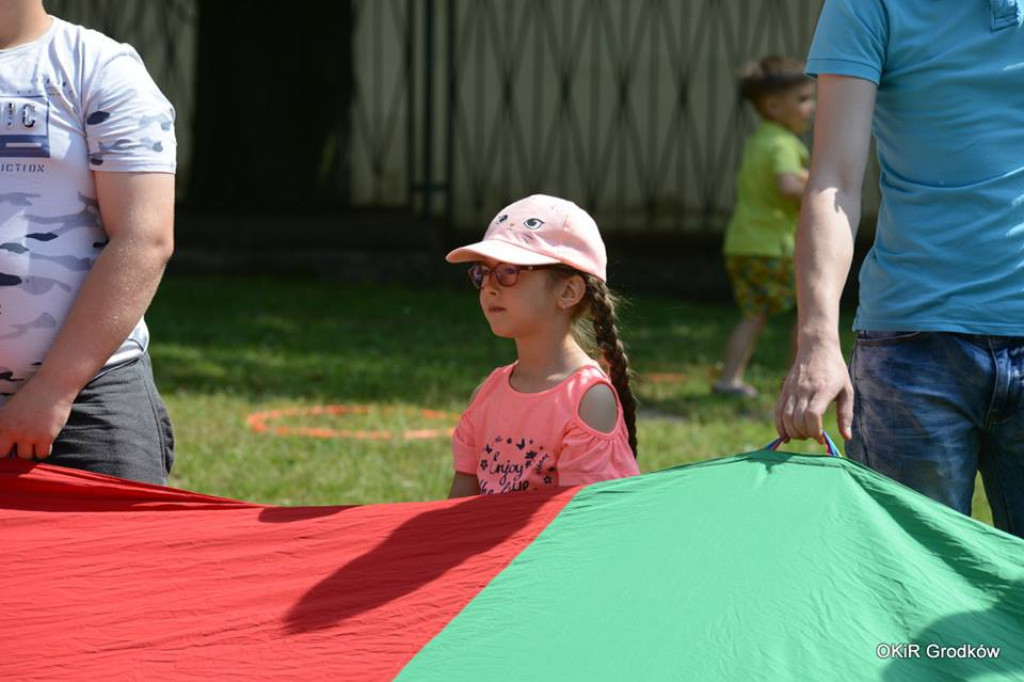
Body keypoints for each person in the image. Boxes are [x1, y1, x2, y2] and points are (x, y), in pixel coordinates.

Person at [775, 0, 1024, 537]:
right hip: (913, 348)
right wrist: (817, 340)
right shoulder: (866, 6)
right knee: (907, 590)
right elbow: (834, 181)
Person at [0, 1, 176, 483]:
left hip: (88, 401)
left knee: (114, 559)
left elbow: (145, 239)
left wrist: (54, 390)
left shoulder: (99, 68)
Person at [444, 194, 640, 496]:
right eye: (483, 272)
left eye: (508, 271)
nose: (490, 287)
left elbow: (587, 523)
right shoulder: (487, 394)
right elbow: (455, 515)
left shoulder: (589, 402)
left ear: (568, 292)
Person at [714, 56, 815, 398]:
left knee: (753, 315)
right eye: (802, 99)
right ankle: (797, 382)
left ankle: (729, 379)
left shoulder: (761, 141)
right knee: (809, 312)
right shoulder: (783, 144)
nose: (811, 107)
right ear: (773, 105)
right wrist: (818, 189)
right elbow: (788, 186)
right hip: (774, 247)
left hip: (744, 244)